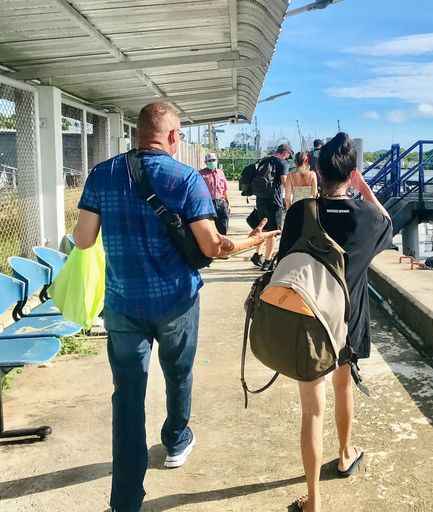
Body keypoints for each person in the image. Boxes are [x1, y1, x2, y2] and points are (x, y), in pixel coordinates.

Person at [72, 102, 279, 512]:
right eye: (178, 134)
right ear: (171, 136)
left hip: (122, 304)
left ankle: (125, 500)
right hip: (176, 300)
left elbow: (82, 239)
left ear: (136, 134)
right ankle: (175, 440)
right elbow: (211, 246)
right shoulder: (186, 178)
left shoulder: (101, 174)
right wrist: (251, 242)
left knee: (127, 398)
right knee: (178, 372)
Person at [277, 133, 392, 512]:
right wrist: (363, 188)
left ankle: (314, 501)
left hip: (309, 322)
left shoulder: (299, 213)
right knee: (343, 388)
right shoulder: (368, 218)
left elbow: (283, 265)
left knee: (312, 410)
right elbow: (388, 222)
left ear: (317, 170)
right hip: (350, 320)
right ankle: (345, 454)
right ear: (352, 173)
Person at [255, 143, 293, 271]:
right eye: (289, 156)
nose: (288, 158)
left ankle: (257, 254)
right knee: (273, 232)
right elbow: (283, 179)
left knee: (263, 229)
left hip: (260, 200)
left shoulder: (264, 160)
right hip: (274, 202)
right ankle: (267, 261)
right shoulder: (283, 163)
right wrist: (291, 190)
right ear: (285, 153)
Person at [199, 153, 231, 235]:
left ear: (217, 161)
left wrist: (228, 204)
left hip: (221, 203)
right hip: (207, 203)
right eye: (209, 161)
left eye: (213, 160)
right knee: (209, 229)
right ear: (205, 162)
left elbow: (224, 190)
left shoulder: (220, 173)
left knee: (223, 227)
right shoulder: (201, 174)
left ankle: (221, 245)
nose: (211, 162)